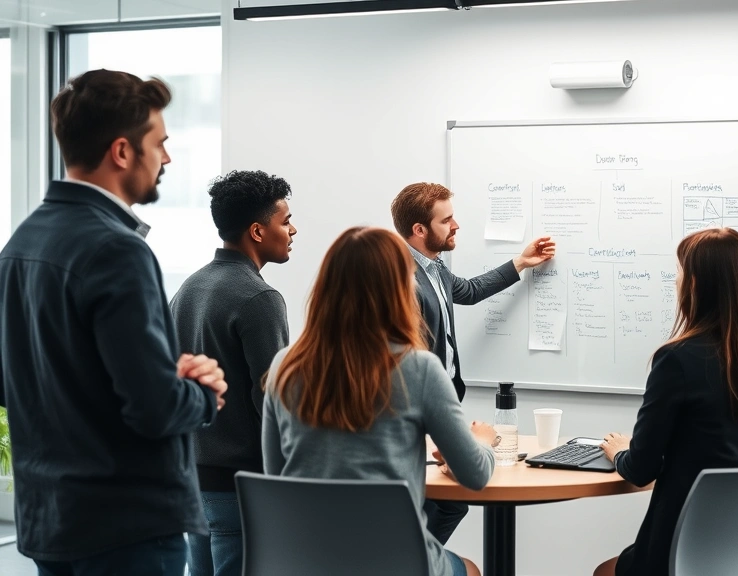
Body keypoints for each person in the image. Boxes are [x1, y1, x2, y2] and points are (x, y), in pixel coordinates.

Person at [0, 69, 227, 575]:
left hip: (53, 523)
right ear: (123, 151)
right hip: (129, 529)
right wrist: (202, 391)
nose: (166, 159)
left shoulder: (22, 243)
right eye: (160, 144)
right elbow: (154, 409)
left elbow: (12, 381)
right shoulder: (117, 250)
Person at [262, 226, 495, 576]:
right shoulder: (418, 368)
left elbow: (275, 475)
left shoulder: (285, 365)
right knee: (472, 569)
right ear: (399, 289)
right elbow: (475, 475)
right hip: (395, 563)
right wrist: (482, 442)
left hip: (305, 561)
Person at [594, 228, 738, 576]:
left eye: (679, 273)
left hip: (679, 549)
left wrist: (619, 450)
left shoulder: (676, 359)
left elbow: (639, 470)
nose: (677, 282)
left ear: (694, 284)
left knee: (604, 572)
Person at [390, 182, 555, 543]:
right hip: (418, 409)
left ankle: (405, 556)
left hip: (438, 405)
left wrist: (521, 262)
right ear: (419, 230)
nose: (457, 225)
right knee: (450, 499)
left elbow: (468, 290)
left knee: (448, 500)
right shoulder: (401, 279)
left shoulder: (433, 268)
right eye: (447, 220)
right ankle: (409, 559)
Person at [170, 170, 296, 576]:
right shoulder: (260, 297)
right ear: (258, 232)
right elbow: (274, 404)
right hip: (240, 486)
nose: (293, 230)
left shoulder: (189, 287)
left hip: (192, 478)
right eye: (285, 221)